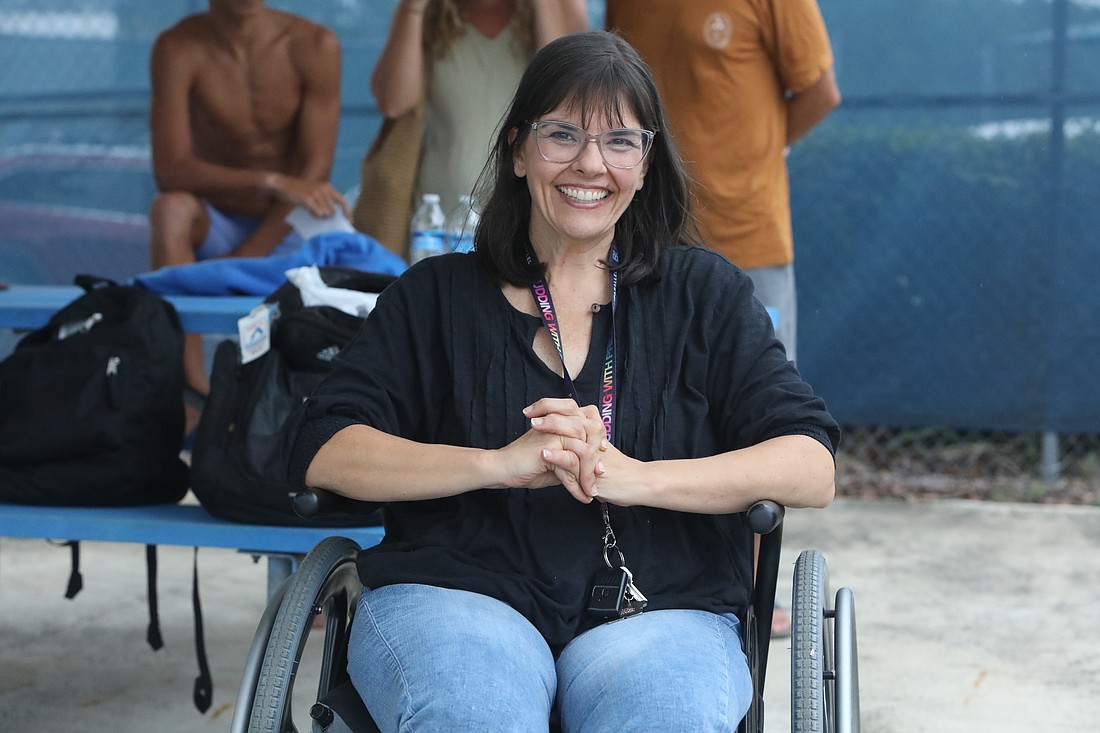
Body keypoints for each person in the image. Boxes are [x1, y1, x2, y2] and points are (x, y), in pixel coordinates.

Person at [286, 30, 839, 731]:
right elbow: (323, 445)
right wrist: (495, 465)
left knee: (666, 716)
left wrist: (632, 476)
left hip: (660, 608)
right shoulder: (434, 296)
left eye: (620, 141)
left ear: (645, 163)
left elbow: (810, 464)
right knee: (471, 713)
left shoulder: (705, 295)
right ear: (517, 150)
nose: (590, 163)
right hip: (458, 595)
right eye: (563, 135)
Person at [606, 0, 841, 638]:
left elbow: (820, 92)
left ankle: (751, 592)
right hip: (645, 234)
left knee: (756, 417)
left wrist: (753, 158)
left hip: (744, 232)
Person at [605, 0, 841, 365]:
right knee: (648, 386)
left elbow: (820, 94)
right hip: (645, 242)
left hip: (744, 240)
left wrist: (760, 155)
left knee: (759, 385)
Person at [147, 0, 348, 415]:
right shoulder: (177, 47)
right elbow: (169, 169)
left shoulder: (314, 44)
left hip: (288, 226)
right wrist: (270, 180)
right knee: (169, 211)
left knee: (337, 222)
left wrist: (246, 256)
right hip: (217, 220)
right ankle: (187, 397)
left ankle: (324, 408)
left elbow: (314, 173)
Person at [368, 0, 588, 220]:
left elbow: (563, 96)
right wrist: (413, 9)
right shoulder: (427, 12)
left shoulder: (564, 7)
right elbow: (393, 103)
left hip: (524, 213)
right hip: (438, 212)